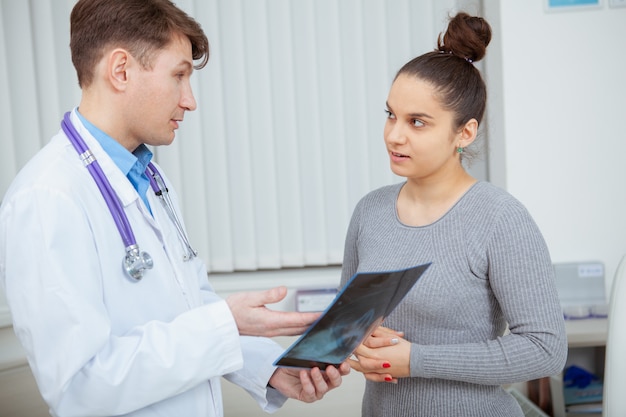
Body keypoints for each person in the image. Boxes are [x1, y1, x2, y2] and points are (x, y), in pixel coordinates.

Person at [0, 0, 349, 416]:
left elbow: (189, 308)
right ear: (121, 70)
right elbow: (82, 387)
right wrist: (224, 321)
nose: (190, 101)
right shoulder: (48, 197)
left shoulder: (148, 178)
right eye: (179, 76)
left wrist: (269, 369)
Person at [339, 12, 567, 417]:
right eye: (391, 114)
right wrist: (355, 340)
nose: (394, 134)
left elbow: (545, 350)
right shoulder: (369, 212)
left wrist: (418, 360)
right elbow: (348, 321)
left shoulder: (500, 218)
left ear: (464, 133)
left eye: (417, 122)